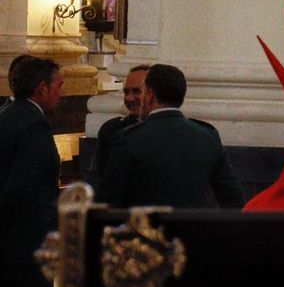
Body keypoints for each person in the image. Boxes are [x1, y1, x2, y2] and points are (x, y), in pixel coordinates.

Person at [99, 64, 245, 209]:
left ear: (149, 95)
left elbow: (108, 202)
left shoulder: (128, 139)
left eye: (141, 92)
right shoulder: (207, 136)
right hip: (192, 231)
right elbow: (233, 198)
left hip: (144, 230)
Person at [0, 57, 64, 287]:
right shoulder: (33, 125)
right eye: (59, 85)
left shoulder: (7, 115)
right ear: (42, 87)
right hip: (26, 249)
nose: (63, 93)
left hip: (8, 247)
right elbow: (23, 189)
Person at [87, 63, 149, 187]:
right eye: (126, 92)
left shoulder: (165, 130)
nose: (130, 98)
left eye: (137, 91)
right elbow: (102, 177)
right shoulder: (111, 130)